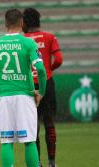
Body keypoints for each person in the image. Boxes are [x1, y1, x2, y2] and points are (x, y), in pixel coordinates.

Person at [0, 9, 47, 167]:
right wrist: (40, 92)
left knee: (7, 142)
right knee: (29, 141)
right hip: (25, 97)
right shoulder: (28, 43)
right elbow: (41, 70)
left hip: (5, 98)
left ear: (5, 23)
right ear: (22, 23)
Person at [23, 8, 63, 167]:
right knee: (49, 122)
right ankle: (52, 163)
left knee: (33, 125)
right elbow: (59, 59)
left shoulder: (22, 39)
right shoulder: (49, 37)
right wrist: (49, 69)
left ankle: (37, 163)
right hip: (46, 82)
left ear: (24, 22)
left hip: (29, 85)